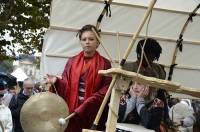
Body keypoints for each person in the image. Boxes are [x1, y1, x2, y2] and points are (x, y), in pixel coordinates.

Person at [47, 24, 111, 132]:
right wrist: (56, 82)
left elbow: (107, 88)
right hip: (72, 111)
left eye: (91, 39)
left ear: (98, 42)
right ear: (80, 42)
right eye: (84, 39)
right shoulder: (72, 61)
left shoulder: (105, 63)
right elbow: (66, 84)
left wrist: (90, 102)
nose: (87, 42)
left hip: (93, 111)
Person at [118, 38, 168, 132]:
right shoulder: (128, 67)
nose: (150, 59)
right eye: (147, 56)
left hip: (150, 104)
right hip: (131, 103)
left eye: (152, 57)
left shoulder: (158, 70)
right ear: (140, 54)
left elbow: (160, 90)